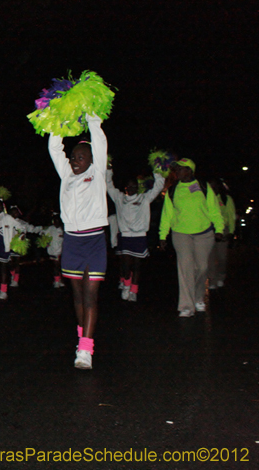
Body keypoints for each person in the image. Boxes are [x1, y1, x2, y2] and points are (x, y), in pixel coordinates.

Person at [48, 114, 108, 370]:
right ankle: (82, 336)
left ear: (92, 160)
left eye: (81, 157)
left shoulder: (97, 172)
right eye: (73, 157)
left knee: (91, 295)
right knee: (78, 295)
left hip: (94, 240)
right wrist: (58, 121)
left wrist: (92, 116)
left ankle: (85, 349)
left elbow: (99, 141)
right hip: (72, 241)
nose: (75, 160)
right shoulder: (66, 175)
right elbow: (54, 148)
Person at [158, 159, 224, 317]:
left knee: (202, 268)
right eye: (176, 169)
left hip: (204, 234)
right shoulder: (173, 190)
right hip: (181, 233)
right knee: (185, 268)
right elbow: (167, 214)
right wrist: (162, 235)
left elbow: (214, 210)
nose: (177, 172)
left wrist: (219, 228)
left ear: (189, 170)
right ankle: (186, 305)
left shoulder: (203, 187)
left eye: (180, 169)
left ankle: (198, 297)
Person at [106, 168, 165, 302]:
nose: (131, 188)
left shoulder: (144, 198)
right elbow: (109, 186)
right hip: (125, 236)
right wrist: (109, 171)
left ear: (138, 187)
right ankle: (127, 285)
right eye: (129, 186)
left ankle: (134, 290)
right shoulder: (119, 198)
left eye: (134, 186)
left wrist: (157, 171)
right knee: (126, 264)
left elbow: (158, 186)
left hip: (140, 236)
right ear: (125, 188)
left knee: (137, 265)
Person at [207, 178, 236, 290]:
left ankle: (221, 276)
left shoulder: (225, 199)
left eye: (214, 186)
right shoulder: (205, 199)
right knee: (210, 257)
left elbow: (231, 217)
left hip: (223, 230)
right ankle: (212, 279)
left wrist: (231, 232)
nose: (212, 188)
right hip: (209, 230)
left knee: (222, 256)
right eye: (210, 186)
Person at [7, 204, 42, 288]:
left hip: (19, 246)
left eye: (16, 212)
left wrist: (41, 229)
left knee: (17, 263)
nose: (14, 214)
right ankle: (13, 275)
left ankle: (15, 280)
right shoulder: (6, 221)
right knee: (10, 263)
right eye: (12, 213)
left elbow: (32, 229)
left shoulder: (22, 223)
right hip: (8, 245)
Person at [44, 213, 65, 289]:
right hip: (53, 251)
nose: (56, 223)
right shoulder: (50, 228)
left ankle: (59, 280)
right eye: (54, 221)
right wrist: (46, 242)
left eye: (57, 221)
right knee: (55, 266)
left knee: (60, 267)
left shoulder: (63, 229)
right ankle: (56, 281)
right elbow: (45, 236)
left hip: (61, 251)